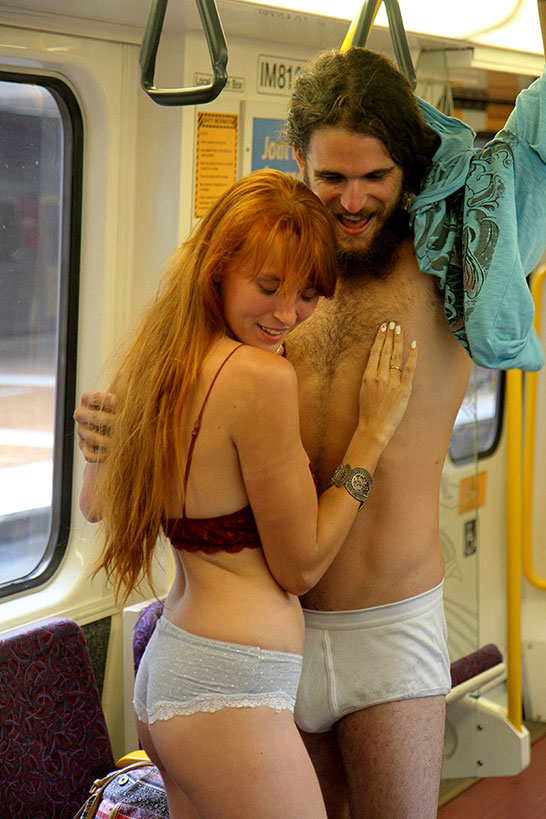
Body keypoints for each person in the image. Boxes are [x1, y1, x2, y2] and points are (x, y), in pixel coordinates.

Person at [76, 6, 546, 814]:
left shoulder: (460, 255)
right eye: (332, 179)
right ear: (298, 161)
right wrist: (120, 441)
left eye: (376, 178)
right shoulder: (261, 278)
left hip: (389, 631)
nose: (353, 201)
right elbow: (184, 392)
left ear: (408, 166)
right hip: (271, 637)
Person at [77, 168, 417, 819]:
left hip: (175, 674)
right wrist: (371, 433)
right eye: (268, 288)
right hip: (225, 694)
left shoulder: (159, 355)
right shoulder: (258, 377)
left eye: (308, 293)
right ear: (219, 272)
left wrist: (97, 448)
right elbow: (301, 563)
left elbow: (97, 505)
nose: (287, 314)